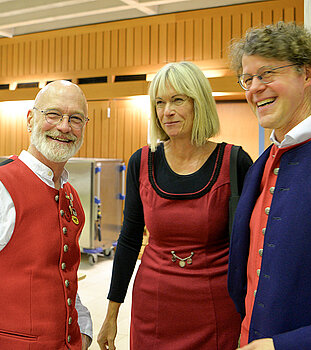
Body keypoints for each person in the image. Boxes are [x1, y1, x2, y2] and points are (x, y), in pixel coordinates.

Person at [97, 61, 252, 350]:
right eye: (159, 102)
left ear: (199, 103)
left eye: (178, 100)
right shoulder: (141, 162)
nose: (167, 111)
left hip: (216, 307)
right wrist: (111, 313)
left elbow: (253, 246)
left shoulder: (234, 162)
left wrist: (252, 316)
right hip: (154, 307)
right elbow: (130, 240)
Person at [227, 21, 311, 350]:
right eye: (247, 79)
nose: (254, 88)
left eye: (266, 74)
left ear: (307, 74)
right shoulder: (261, 164)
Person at [0, 80, 93, 349]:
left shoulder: (72, 195)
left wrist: (83, 333)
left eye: (75, 118)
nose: (64, 127)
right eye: (53, 114)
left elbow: (66, 276)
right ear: (30, 119)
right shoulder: (3, 187)